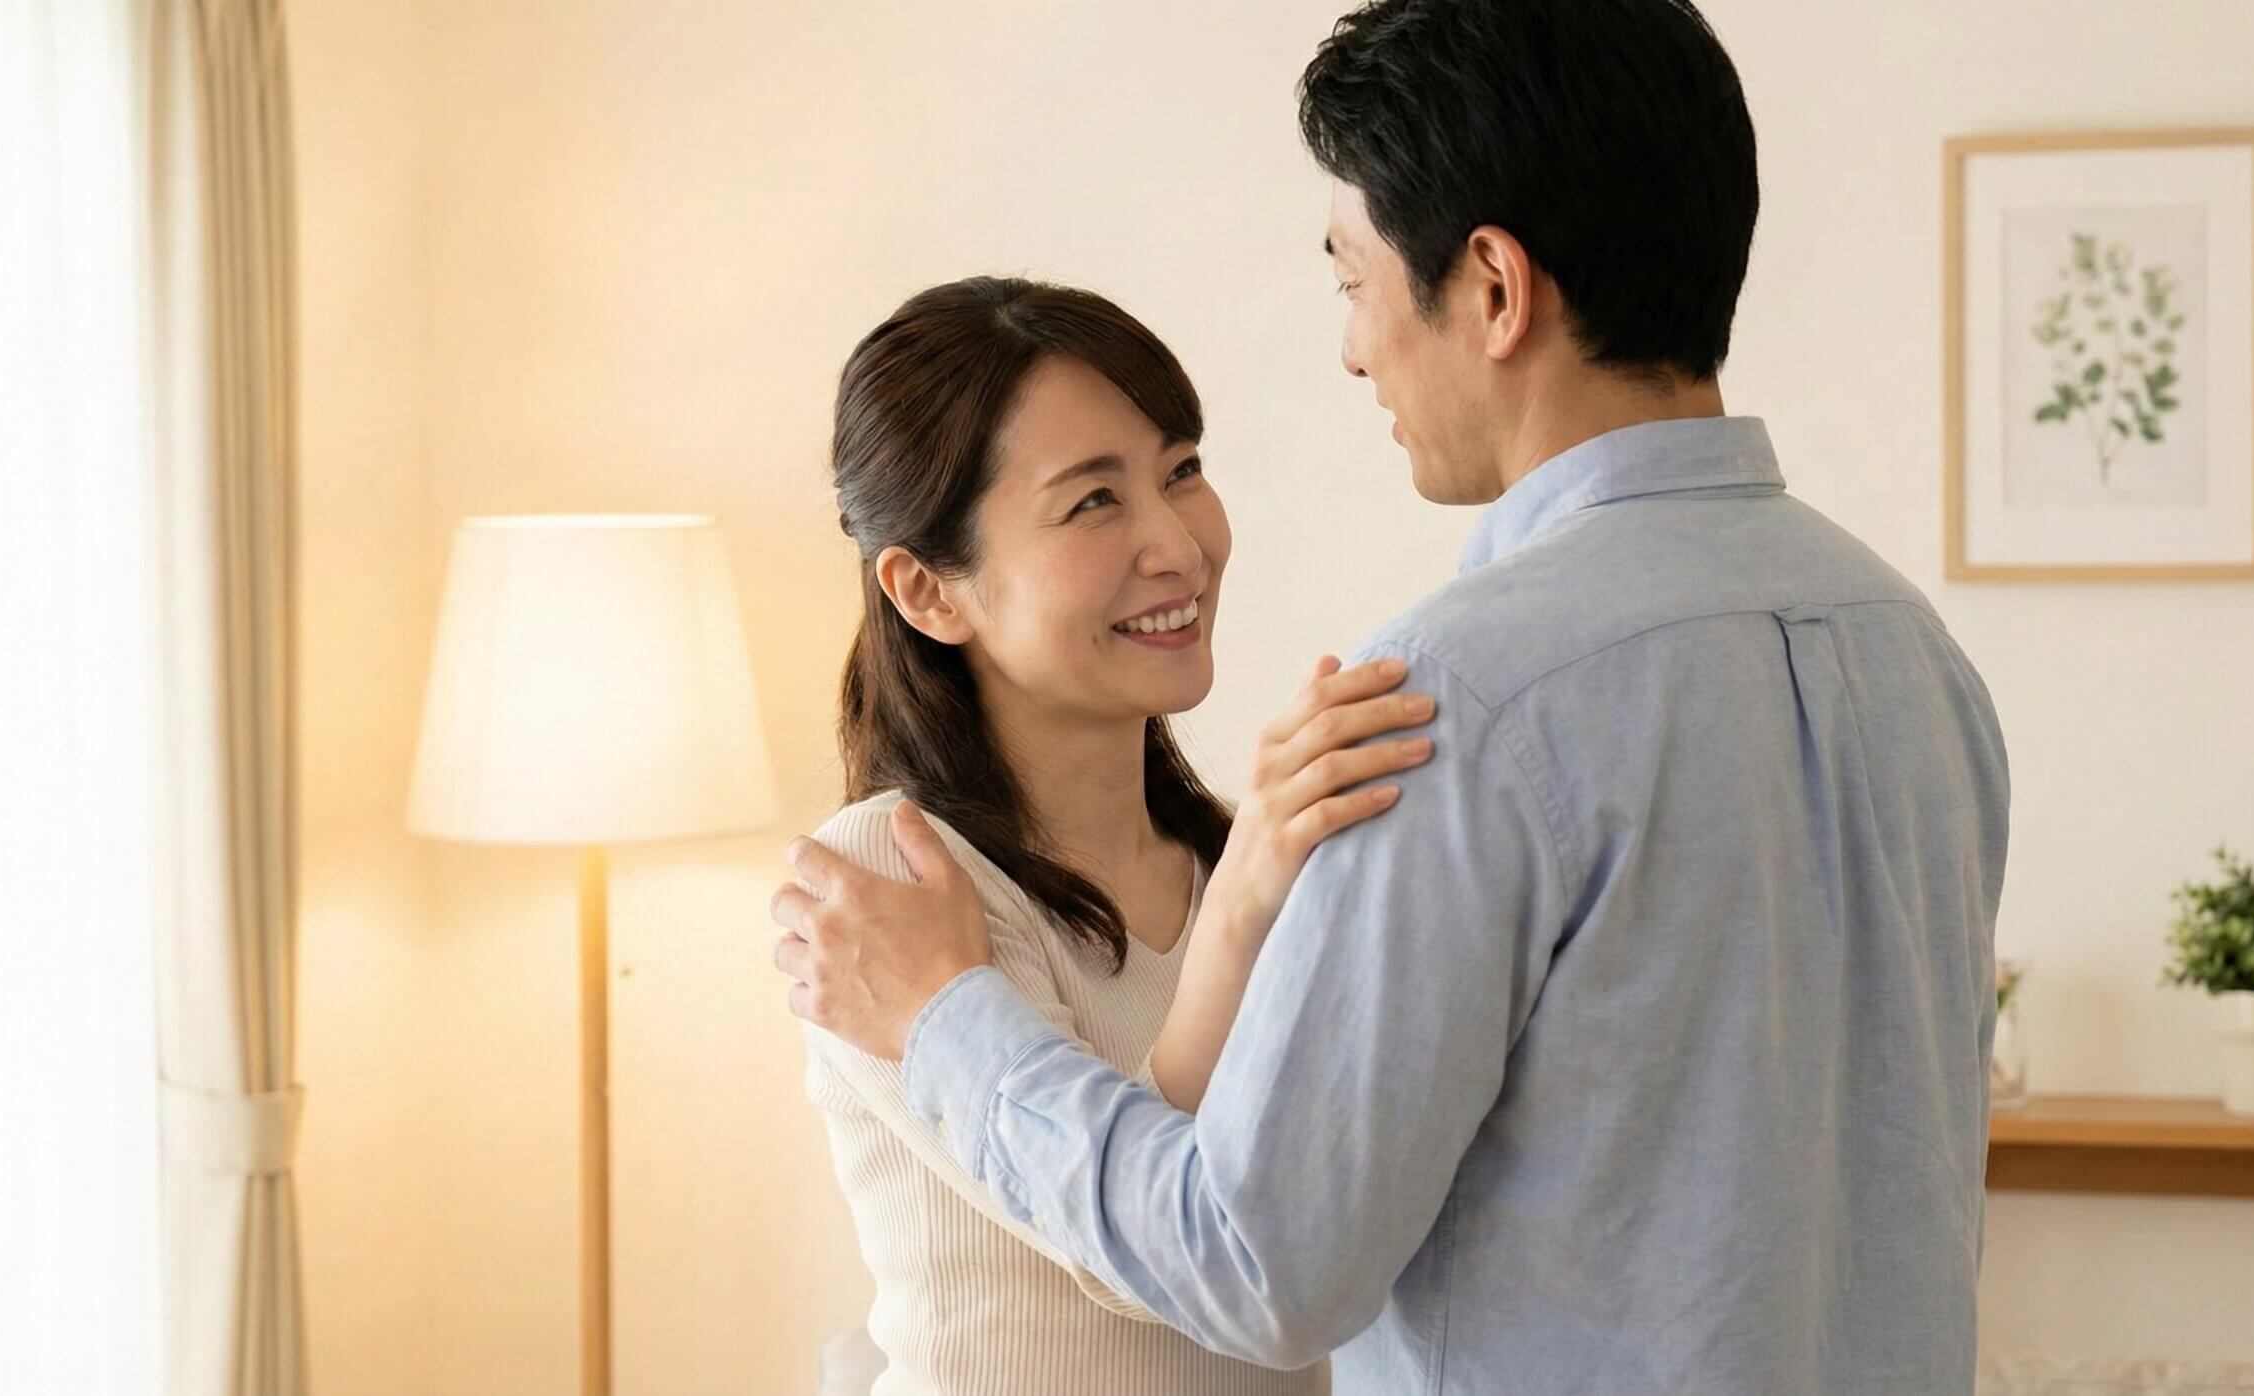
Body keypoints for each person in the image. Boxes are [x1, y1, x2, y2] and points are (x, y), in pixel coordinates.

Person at [774, 1, 2012, 1392]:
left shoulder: (1456, 704)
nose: (1353, 352)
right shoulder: (1914, 659)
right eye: (1093, 498)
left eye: (1353, 283)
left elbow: (1258, 1265)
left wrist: (951, 1022)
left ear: (1491, 287)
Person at [790, 273, 1443, 1396]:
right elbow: (1148, 1249)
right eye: (1094, 501)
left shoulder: (1241, 855)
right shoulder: (885, 880)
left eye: (1180, 471)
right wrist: (1246, 901)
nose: (1178, 545)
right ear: (927, 590)